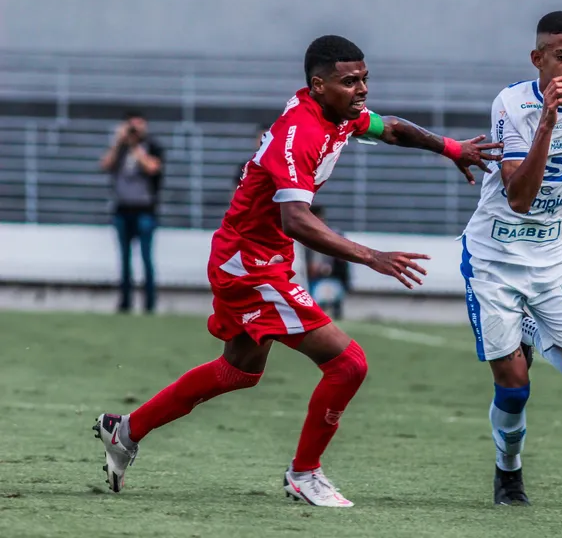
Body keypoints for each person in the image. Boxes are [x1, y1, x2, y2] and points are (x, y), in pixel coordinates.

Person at [93, 35, 502, 506]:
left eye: (365, 79)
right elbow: (297, 220)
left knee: (237, 372)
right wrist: (372, 257)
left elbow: (390, 128)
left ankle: (124, 431)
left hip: (256, 257)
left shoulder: (337, 111)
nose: (363, 89)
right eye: (352, 82)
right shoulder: (299, 134)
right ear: (318, 84)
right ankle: (304, 473)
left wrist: (450, 147)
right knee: (348, 365)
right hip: (251, 266)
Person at [459, 11, 562, 505]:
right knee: (514, 387)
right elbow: (519, 197)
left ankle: (528, 327)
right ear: (538, 59)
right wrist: (549, 123)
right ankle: (507, 472)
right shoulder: (513, 106)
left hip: (552, 259)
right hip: (494, 259)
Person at [99, 111, 165, 314]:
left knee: (146, 259)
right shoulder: (120, 150)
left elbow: (153, 168)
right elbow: (104, 165)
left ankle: (149, 304)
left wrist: (136, 147)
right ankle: (125, 303)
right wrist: (118, 142)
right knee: (125, 260)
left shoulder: (153, 147)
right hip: (122, 210)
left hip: (145, 211)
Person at [305, 205, 351, 319]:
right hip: (310, 279)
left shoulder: (333, 235)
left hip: (330, 278)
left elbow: (342, 261)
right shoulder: (302, 236)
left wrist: (327, 269)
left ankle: (333, 307)